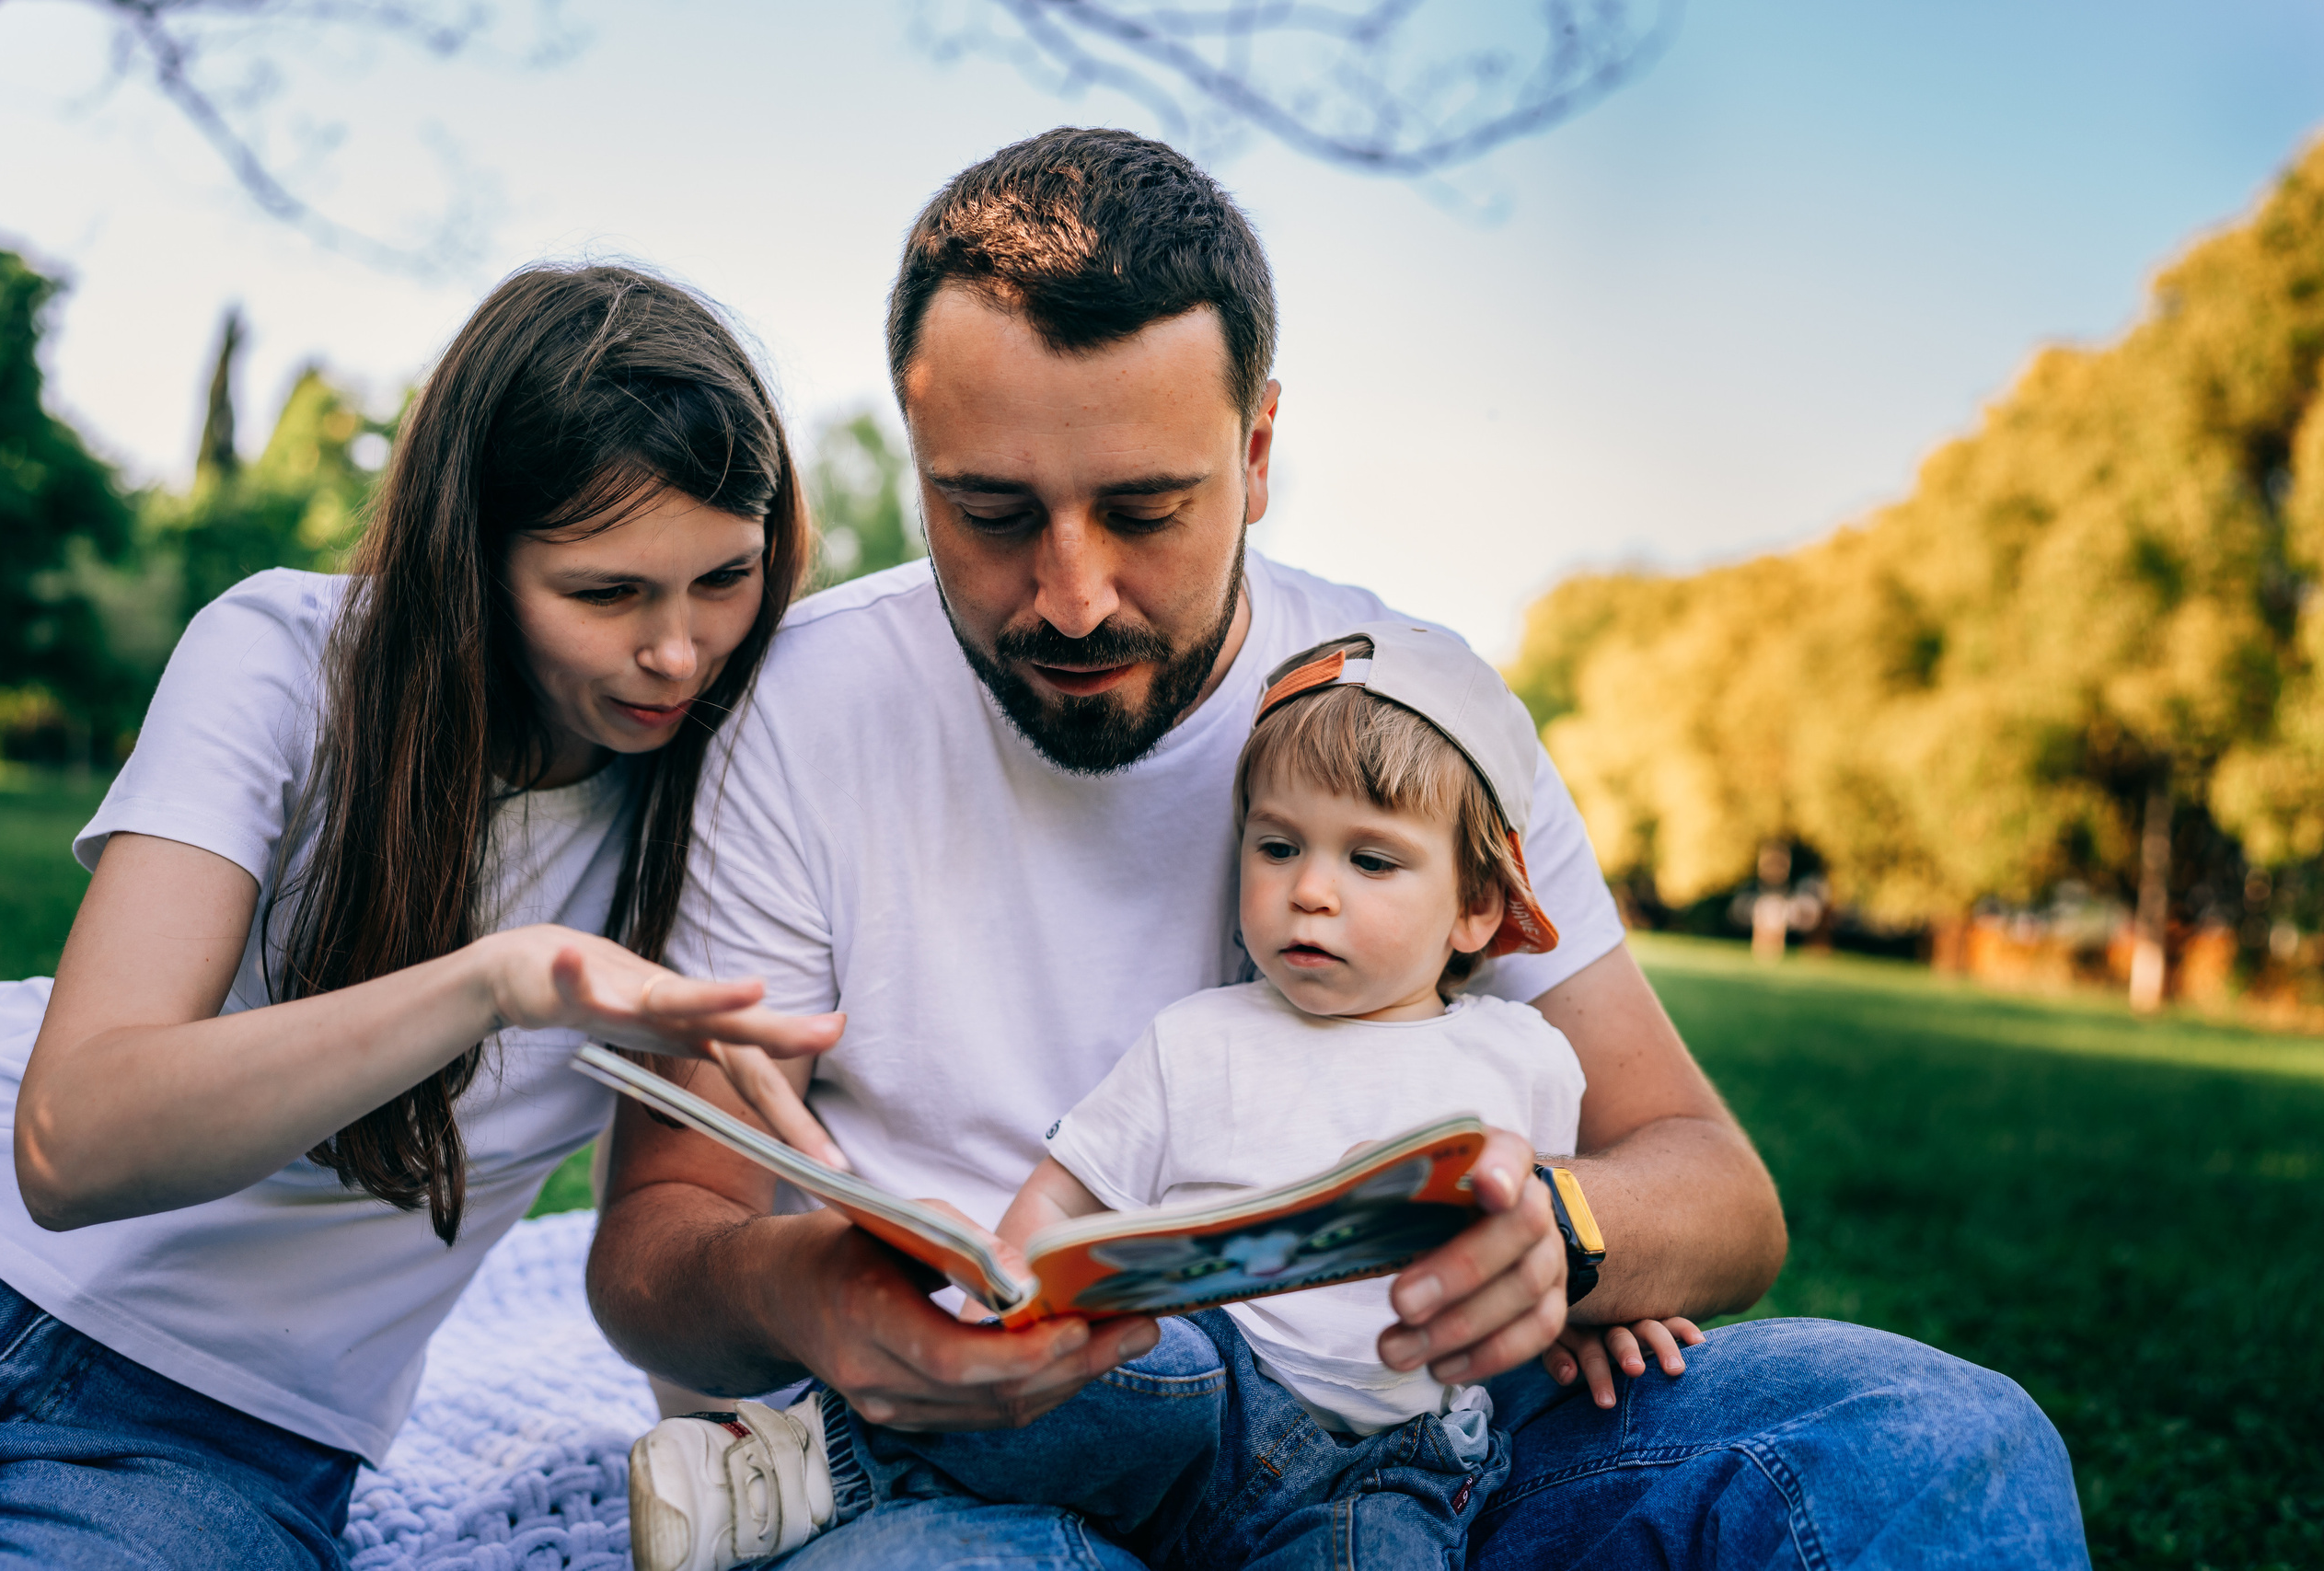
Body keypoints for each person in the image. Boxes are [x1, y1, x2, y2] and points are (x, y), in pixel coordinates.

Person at [589, 129, 2093, 1569]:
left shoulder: (1410, 703)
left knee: (1933, 1436)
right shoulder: (794, 710)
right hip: (991, 1472)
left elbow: (1717, 1190)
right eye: (990, 512)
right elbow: (656, 1247)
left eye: (1145, 509)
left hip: (1417, 1453)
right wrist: (798, 1292)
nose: (1071, 593)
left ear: (1255, 449)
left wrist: (1566, 1235)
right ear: (919, 459)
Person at [0, 264, 843, 1570]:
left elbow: (674, 1211)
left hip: (205, 1440)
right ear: (471, 561)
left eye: (723, 577)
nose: (679, 651)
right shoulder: (282, 655)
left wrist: (729, 1450)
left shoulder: (728, 795)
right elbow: (71, 1140)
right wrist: (488, 984)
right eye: (606, 593)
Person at [630, 622, 1710, 1571]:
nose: (1310, 889)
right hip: (1209, 1379)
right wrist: (1011, 1297)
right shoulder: (1201, 1038)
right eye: (1277, 845)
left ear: (1477, 906)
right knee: (1112, 1375)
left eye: (1371, 862)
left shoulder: (1523, 1060)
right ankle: (798, 1467)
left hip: (1393, 1459)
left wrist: (1581, 1309)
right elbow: (1062, 1196)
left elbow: (1534, 1238)